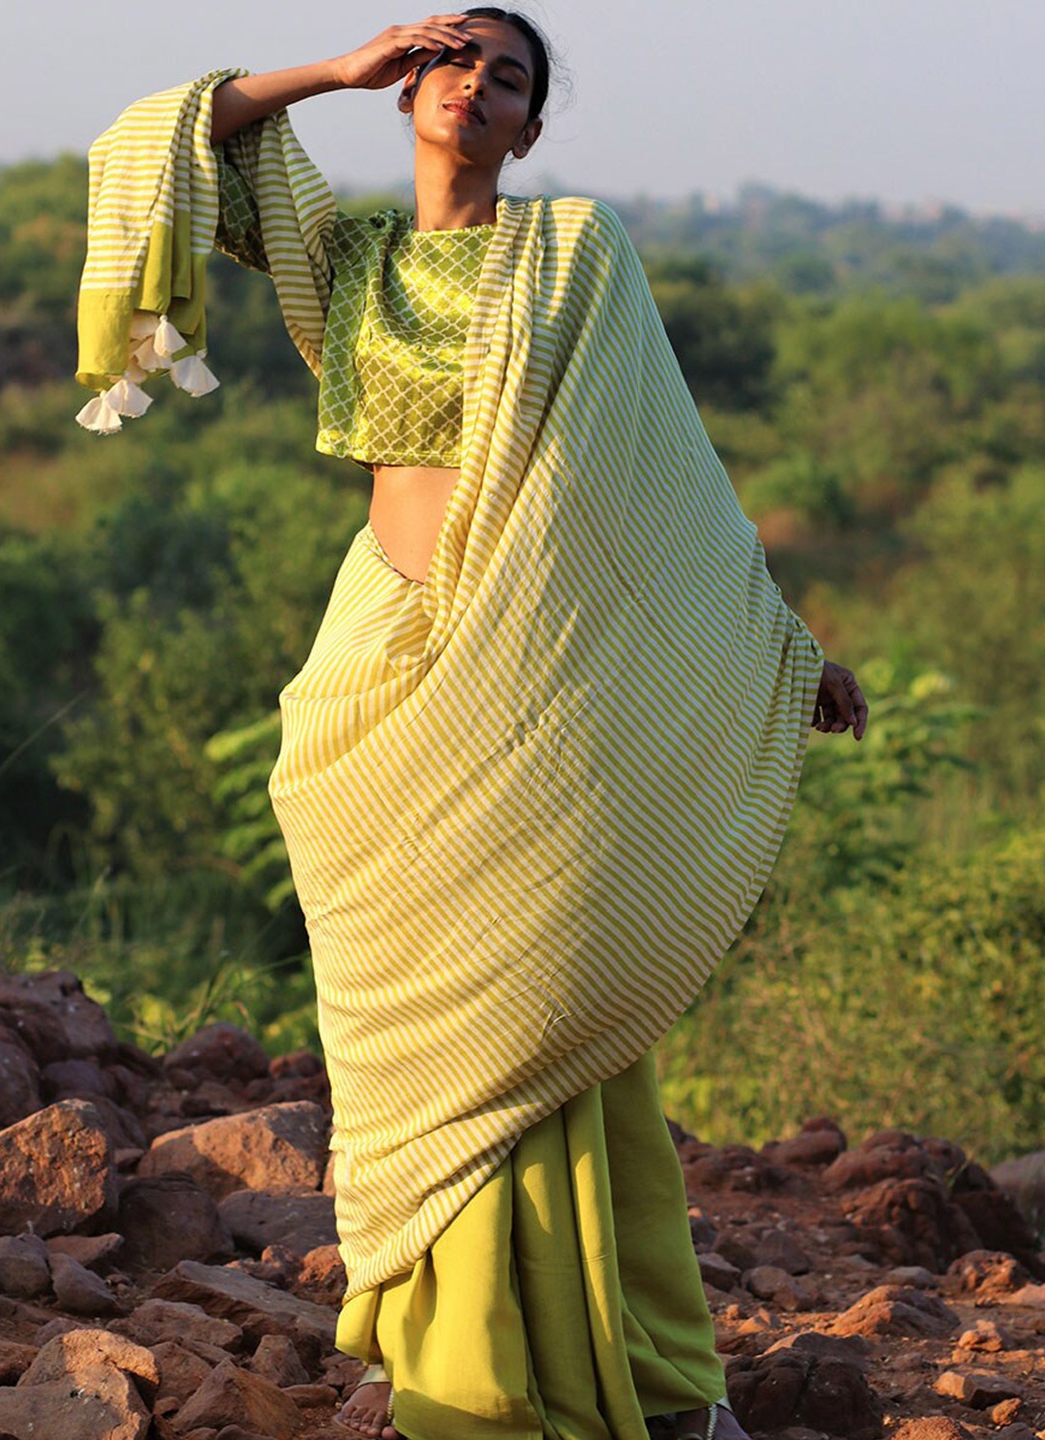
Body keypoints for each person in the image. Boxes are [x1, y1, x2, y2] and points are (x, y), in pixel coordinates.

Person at [76, 12, 868, 1439]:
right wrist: (336, 67)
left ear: (532, 128)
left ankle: (631, 1370)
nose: (477, 86)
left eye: (509, 77)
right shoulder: (352, 259)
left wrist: (776, 637)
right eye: (456, 61)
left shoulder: (575, 254)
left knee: (545, 992)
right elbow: (168, 141)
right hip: (382, 654)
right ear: (414, 88)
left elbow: (664, 473)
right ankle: (462, 1353)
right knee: (410, 1023)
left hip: (533, 672)